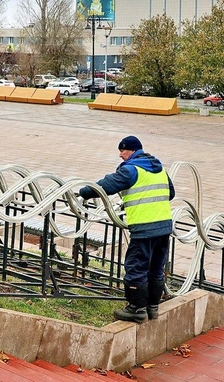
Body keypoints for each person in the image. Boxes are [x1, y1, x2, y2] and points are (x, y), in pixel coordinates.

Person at [78, 136, 175, 323]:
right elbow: (170, 193)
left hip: (144, 227)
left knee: (136, 266)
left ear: (132, 151)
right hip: (163, 227)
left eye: (123, 151)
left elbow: (107, 185)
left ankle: (136, 309)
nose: (121, 155)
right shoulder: (159, 168)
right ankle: (152, 308)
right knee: (156, 268)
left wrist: (84, 192)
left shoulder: (131, 169)